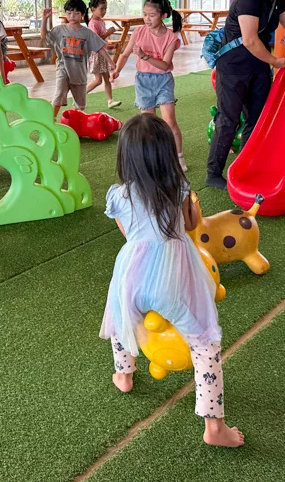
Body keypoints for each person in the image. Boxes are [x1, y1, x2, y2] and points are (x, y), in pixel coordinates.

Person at [101, 114, 244, 448]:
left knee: (123, 317)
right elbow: (192, 224)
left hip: (132, 271)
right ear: (167, 154)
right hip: (176, 274)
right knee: (204, 340)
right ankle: (214, 426)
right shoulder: (178, 187)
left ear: (125, 158)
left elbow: (129, 236)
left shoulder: (118, 195)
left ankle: (124, 374)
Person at [205, 0, 285, 191]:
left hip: (258, 67)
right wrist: (275, 61)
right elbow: (250, 40)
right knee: (228, 120)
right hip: (233, 67)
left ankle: (245, 165)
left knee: (257, 118)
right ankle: (214, 173)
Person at [111, 0, 187, 171]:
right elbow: (125, 53)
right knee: (148, 123)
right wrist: (117, 70)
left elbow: (165, 65)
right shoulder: (138, 32)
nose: (147, 18)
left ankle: (178, 157)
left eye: (151, 15)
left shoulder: (170, 38)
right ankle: (153, 157)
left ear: (163, 16)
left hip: (163, 80)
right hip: (143, 80)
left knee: (169, 121)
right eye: (144, 14)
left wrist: (146, 56)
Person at [40, 0, 114, 120]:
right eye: (69, 13)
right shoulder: (59, 30)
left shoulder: (87, 33)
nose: (72, 16)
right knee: (59, 93)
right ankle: (51, 119)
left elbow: (100, 47)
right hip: (63, 68)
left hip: (79, 72)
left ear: (82, 14)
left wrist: (111, 62)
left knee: (80, 105)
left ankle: (74, 121)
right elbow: (44, 36)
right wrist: (44, 19)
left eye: (76, 13)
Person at [85, 0, 122, 109]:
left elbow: (101, 39)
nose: (104, 11)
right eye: (102, 9)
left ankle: (110, 101)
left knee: (106, 79)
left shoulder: (100, 21)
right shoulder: (92, 23)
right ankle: (80, 96)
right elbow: (95, 39)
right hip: (96, 54)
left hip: (102, 52)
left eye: (105, 8)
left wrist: (107, 45)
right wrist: (108, 33)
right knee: (98, 80)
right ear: (93, 9)